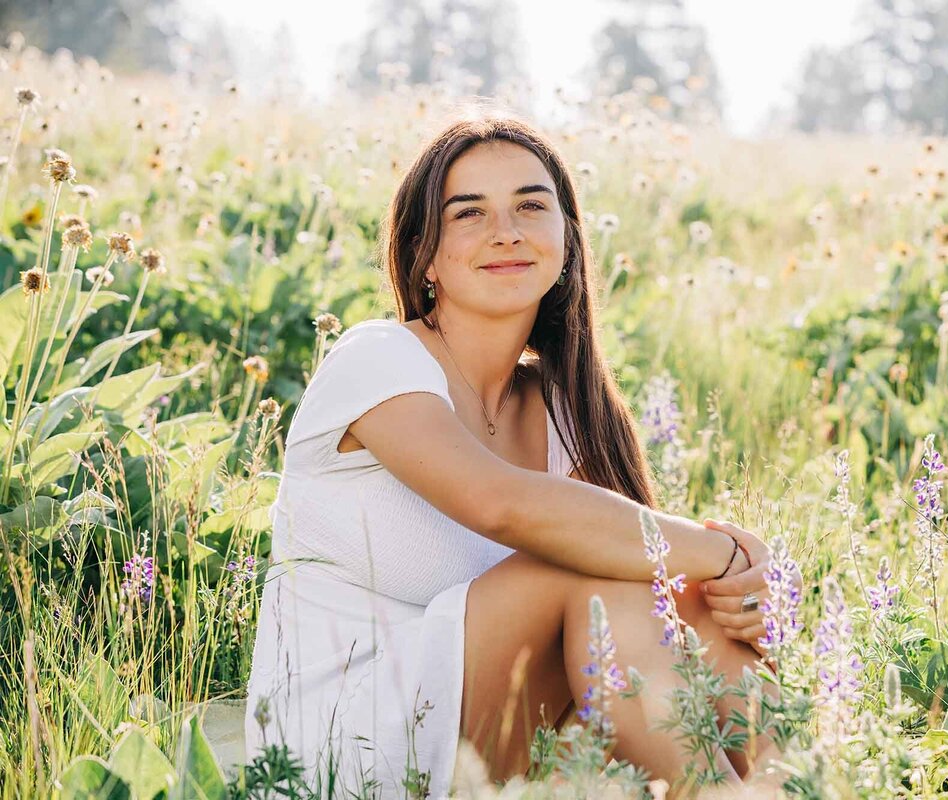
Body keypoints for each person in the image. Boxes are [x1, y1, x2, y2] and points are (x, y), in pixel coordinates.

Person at [244, 111, 779, 799]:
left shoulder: (564, 407)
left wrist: (732, 580)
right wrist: (721, 551)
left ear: (567, 241)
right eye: (469, 214)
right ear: (424, 254)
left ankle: (793, 777)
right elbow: (502, 506)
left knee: (667, 587)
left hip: (495, 734)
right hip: (337, 747)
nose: (506, 231)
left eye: (531, 205)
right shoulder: (377, 358)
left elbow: (639, 579)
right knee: (599, 571)